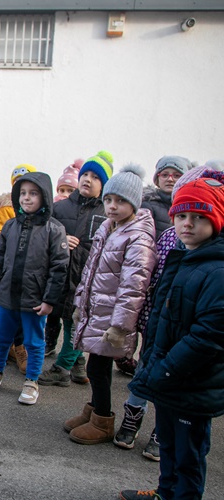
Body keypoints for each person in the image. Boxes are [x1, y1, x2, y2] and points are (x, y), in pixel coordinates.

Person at [120, 177, 224, 500]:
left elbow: (209, 336)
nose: (187, 224)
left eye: (198, 217)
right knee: (167, 444)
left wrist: (164, 369)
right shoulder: (182, 257)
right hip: (166, 378)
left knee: (189, 458)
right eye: (181, 216)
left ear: (216, 221)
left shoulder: (217, 270)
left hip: (189, 384)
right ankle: (165, 492)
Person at [65, 165, 157, 445]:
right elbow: (90, 271)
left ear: (134, 204)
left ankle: (103, 420)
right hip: (98, 310)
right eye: (108, 200)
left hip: (113, 317)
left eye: (120, 201)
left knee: (98, 368)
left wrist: (120, 327)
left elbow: (133, 287)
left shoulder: (138, 237)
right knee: (96, 366)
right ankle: (94, 410)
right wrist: (81, 303)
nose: (112, 206)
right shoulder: (108, 228)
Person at [0, 171, 69, 405]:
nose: (26, 198)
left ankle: (31, 381)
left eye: (33, 194)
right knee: (1, 338)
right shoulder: (10, 226)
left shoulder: (54, 229)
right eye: (23, 193)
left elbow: (59, 268)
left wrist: (49, 300)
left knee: (33, 341)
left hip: (35, 300)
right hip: (7, 295)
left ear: (45, 197)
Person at [40, 151, 112, 385]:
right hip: (61, 273)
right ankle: (78, 363)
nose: (88, 180)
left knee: (74, 319)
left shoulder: (105, 213)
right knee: (64, 317)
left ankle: (62, 368)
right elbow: (46, 232)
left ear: (104, 186)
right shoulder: (60, 208)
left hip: (86, 277)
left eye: (96, 177)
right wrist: (63, 237)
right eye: (85, 174)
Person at [0, 163, 38, 373]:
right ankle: (13, 348)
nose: (24, 194)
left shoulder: (40, 216)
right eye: (18, 185)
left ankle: (19, 347)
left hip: (29, 274)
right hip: (10, 269)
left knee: (23, 314)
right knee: (7, 313)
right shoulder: (7, 210)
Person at [141, 155, 192, 238]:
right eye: (164, 175)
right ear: (157, 179)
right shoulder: (147, 205)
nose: (170, 179)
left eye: (176, 176)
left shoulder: (190, 206)